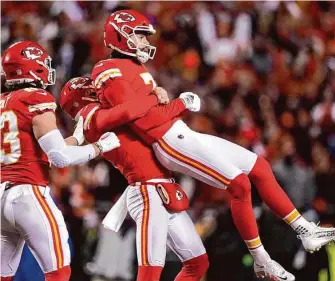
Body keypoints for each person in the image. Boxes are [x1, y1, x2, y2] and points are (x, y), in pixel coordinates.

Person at [92, 9, 335, 281]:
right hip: (169, 142)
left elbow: (145, 110)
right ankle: (261, 259)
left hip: (180, 133)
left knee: (260, 167)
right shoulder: (108, 70)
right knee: (240, 184)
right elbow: (144, 123)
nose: (145, 42)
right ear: (120, 36)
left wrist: (162, 100)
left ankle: (305, 230)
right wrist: (179, 103)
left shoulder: (133, 67)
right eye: (138, 35)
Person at [59, 76, 209, 281]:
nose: (102, 92)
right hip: (147, 191)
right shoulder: (96, 117)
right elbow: (134, 112)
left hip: (161, 188)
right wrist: (173, 101)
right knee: (149, 272)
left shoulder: (92, 120)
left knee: (197, 263)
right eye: (95, 90)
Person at [0, 41, 120, 281]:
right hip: (28, 194)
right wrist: (100, 147)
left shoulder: (4, 101)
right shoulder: (35, 98)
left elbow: (46, 149)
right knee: (59, 272)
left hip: (2, 196)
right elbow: (60, 158)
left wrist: (77, 137)